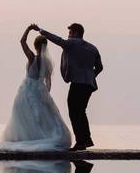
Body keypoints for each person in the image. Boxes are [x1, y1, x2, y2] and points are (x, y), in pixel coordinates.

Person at [0, 25, 72, 152]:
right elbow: (48, 81)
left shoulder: (32, 57)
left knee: (24, 115)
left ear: (35, 46)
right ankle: (41, 137)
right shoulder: (48, 63)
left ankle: (28, 139)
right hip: (41, 91)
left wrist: (29, 29)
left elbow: (22, 42)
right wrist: (45, 95)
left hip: (28, 90)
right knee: (43, 116)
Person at [31, 22, 103, 150]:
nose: (68, 36)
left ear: (76, 33)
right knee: (81, 111)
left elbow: (58, 40)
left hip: (78, 83)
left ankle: (81, 142)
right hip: (89, 84)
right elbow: (100, 67)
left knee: (74, 112)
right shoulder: (93, 48)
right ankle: (86, 140)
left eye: (70, 33)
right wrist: (90, 76)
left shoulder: (72, 43)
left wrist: (41, 30)